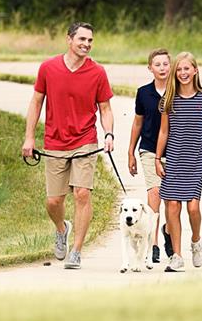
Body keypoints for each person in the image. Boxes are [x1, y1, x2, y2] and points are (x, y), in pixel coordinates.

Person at [22, 22, 114, 270]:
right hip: (54, 142)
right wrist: (29, 137)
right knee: (53, 201)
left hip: (85, 140)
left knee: (82, 193)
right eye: (82, 39)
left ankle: (76, 251)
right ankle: (62, 229)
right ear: (69, 40)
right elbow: (36, 102)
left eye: (90, 40)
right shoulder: (48, 68)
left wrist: (109, 134)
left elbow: (105, 108)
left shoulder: (97, 72)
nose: (86, 44)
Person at [155, 51, 202, 273]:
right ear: (175, 73)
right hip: (173, 159)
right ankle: (176, 255)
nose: (183, 73)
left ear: (195, 70)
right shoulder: (168, 99)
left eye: (187, 68)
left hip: (195, 159)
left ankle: (196, 240)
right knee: (172, 207)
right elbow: (163, 132)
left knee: (193, 208)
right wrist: (157, 158)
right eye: (179, 69)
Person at [128, 48, 172, 264]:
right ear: (150, 68)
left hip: (174, 151)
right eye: (158, 64)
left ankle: (168, 230)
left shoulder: (177, 91)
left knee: (172, 200)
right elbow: (137, 122)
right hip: (149, 149)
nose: (162, 68)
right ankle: (153, 244)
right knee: (154, 194)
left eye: (165, 64)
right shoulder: (144, 92)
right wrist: (131, 152)